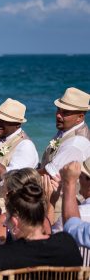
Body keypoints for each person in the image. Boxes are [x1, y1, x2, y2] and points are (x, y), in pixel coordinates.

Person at [40, 87, 90, 225]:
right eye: (58, 110)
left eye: (65, 113)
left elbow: (48, 173)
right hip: (53, 206)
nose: (58, 115)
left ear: (80, 117)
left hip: (60, 211)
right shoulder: (66, 132)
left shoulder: (77, 142)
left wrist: (17, 177)